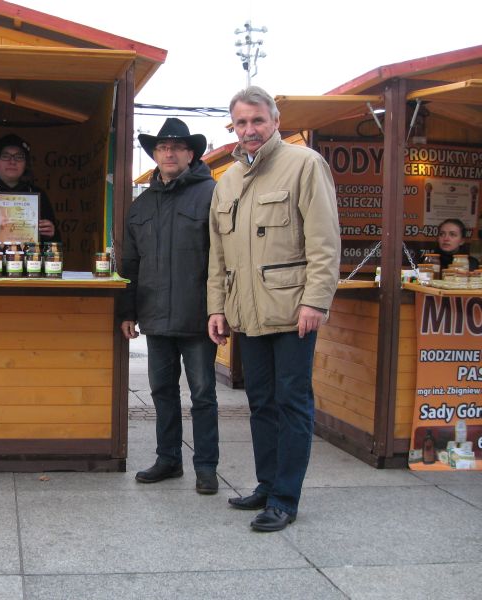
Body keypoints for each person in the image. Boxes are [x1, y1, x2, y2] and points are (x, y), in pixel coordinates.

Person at [207, 86, 340, 531]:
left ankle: (285, 497)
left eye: (257, 120)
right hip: (247, 313)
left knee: (292, 403)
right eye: (241, 123)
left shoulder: (305, 165)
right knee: (260, 403)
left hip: (292, 311)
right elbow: (218, 255)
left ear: (275, 120)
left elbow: (324, 242)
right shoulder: (227, 180)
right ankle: (266, 486)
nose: (250, 130)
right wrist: (217, 308)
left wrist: (316, 300)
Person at [119, 118, 220, 495]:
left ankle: (206, 467)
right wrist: (127, 312)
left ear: (191, 154)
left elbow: (224, 259)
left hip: (198, 318)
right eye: (162, 147)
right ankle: (169, 459)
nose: (169, 152)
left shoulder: (212, 194)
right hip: (155, 317)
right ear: (155, 154)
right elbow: (130, 262)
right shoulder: (141, 204)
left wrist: (220, 310)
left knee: (204, 395)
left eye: (177, 146)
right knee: (162, 391)